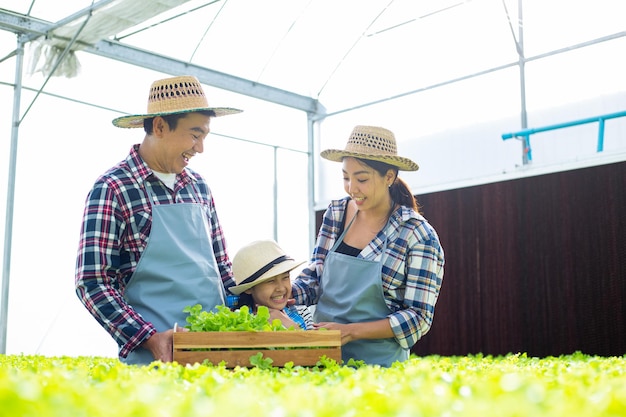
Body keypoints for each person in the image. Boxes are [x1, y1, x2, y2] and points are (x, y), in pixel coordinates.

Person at [75, 75, 242, 365]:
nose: (200, 148)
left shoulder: (199, 187)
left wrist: (256, 302)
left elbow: (222, 269)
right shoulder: (113, 188)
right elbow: (93, 281)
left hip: (215, 353)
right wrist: (149, 338)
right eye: (194, 134)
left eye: (204, 136)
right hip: (152, 359)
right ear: (161, 126)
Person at [292, 125, 445, 367]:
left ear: (389, 177)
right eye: (345, 177)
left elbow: (418, 317)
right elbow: (316, 275)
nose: (352, 188)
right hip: (321, 355)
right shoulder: (337, 213)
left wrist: (351, 331)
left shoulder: (416, 234)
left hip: (378, 366)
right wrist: (283, 294)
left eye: (361, 178)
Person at [230, 240, 313, 330]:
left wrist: (292, 327)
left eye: (285, 277)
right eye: (271, 281)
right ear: (248, 288)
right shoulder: (236, 320)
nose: (281, 288)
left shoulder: (302, 313)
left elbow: (315, 344)